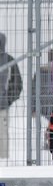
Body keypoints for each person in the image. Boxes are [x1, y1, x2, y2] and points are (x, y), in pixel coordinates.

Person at [0, 32, 23, 162]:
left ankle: (3, 163)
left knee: (2, 135)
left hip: (2, 106)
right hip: (3, 104)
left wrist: (7, 99)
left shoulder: (9, 60)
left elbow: (17, 83)